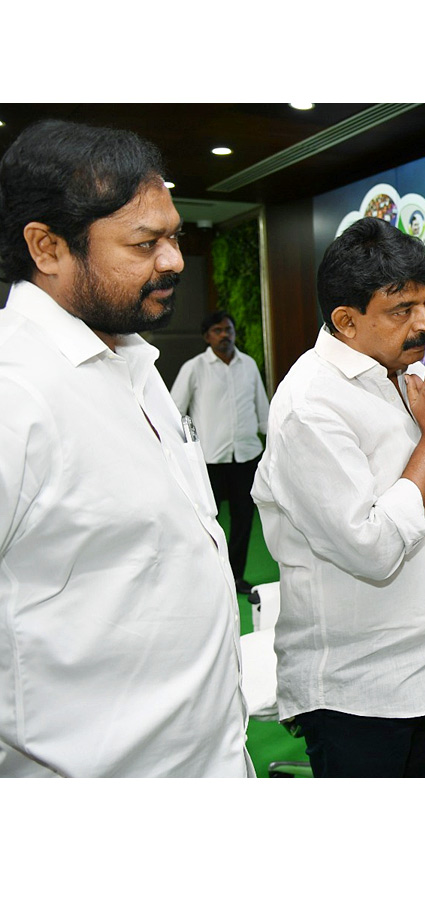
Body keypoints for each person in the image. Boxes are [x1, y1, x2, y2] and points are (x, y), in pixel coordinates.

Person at [0, 120, 251, 776]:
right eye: (145, 243)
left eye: (173, 235)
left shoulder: (134, 360)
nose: (172, 260)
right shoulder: (13, 393)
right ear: (47, 247)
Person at [251, 216, 425, 777]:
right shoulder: (312, 406)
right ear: (345, 321)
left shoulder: (403, 370)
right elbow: (373, 548)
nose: (424, 324)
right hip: (360, 687)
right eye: (400, 311)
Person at [171, 309, 270, 594]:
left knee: (242, 522)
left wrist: (271, 442)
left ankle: (236, 577)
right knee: (205, 522)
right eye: (217, 330)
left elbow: (262, 408)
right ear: (207, 337)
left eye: (228, 329)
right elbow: (175, 411)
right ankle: (209, 579)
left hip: (246, 457)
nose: (224, 335)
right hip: (210, 461)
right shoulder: (194, 367)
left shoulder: (248, 365)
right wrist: (183, 452)